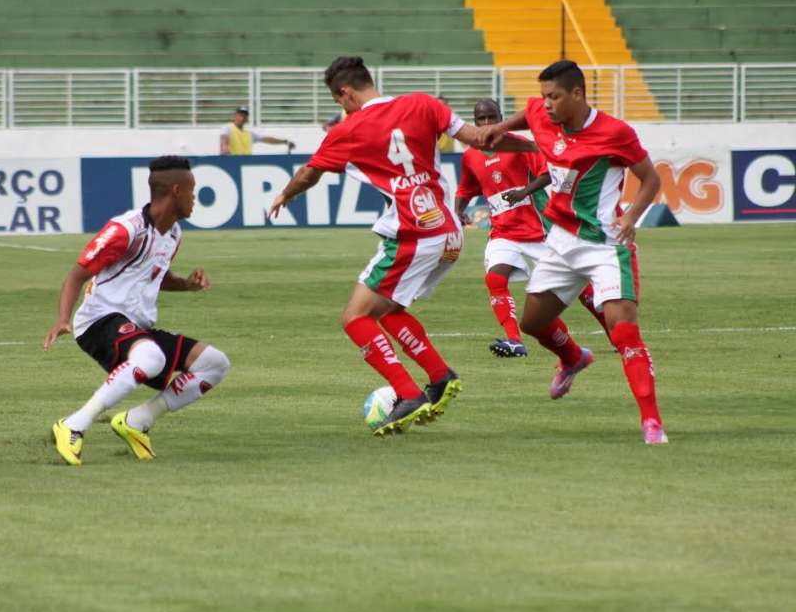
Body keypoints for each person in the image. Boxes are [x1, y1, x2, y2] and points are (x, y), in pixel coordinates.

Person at [269, 56, 534, 436]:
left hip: (413, 232)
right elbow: (481, 139)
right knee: (390, 310)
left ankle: (408, 393)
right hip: (449, 232)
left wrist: (285, 194)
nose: (340, 108)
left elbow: (311, 172)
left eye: (337, 100)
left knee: (355, 317)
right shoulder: (423, 103)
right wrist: (540, 150)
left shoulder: (349, 129)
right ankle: (440, 377)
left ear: (344, 93)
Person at [481, 60, 667, 444]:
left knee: (625, 332)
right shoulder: (542, 114)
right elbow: (528, 113)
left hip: (604, 246)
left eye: (555, 97)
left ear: (578, 94)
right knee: (533, 324)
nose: (546, 104)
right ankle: (573, 358)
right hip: (560, 243)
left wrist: (632, 216)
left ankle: (652, 423)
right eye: (545, 96)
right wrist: (499, 128)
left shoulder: (615, 133)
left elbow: (651, 178)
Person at [43, 156, 230, 465]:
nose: (195, 197)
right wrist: (63, 319)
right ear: (175, 190)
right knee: (151, 356)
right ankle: (74, 424)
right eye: (192, 190)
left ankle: (137, 421)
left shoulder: (173, 234)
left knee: (215, 364)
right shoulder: (126, 229)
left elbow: (156, 276)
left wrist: (187, 285)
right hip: (98, 321)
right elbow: (77, 274)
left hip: (138, 328)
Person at [454, 98, 608, 358]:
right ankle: (514, 341)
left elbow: (546, 174)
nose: (487, 123)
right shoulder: (471, 155)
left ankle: (612, 330)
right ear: (474, 121)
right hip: (503, 232)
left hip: (539, 230)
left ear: (501, 117)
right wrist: (458, 209)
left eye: (492, 117)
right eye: (482, 119)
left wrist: (523, 192)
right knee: (495, 278)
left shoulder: (518, 145)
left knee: (580, 287)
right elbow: (466, 189)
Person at [219, 106, 295, 155]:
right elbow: (224, 137)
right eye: (240, 115)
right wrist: (225, 146)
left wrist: (284, 142)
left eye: (245, 116)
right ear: (235, 116)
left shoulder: (249, 134)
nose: (242, 118)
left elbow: (266, 139)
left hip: (246, 165)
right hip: (232, 162)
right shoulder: (228, 128)